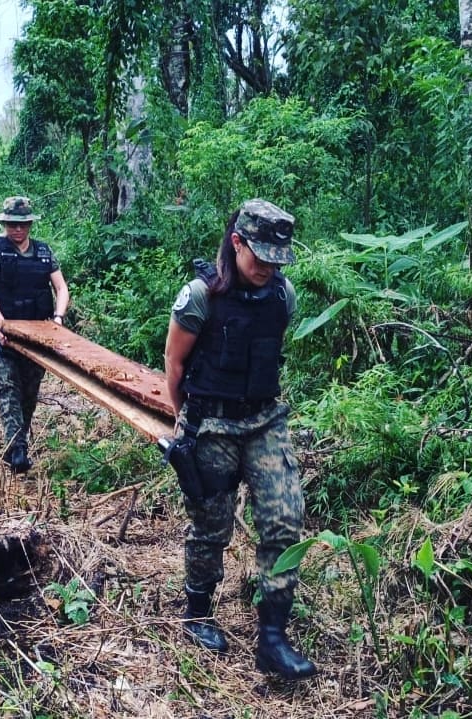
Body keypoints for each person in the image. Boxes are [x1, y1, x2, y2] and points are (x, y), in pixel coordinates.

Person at [163, 198, 318, 680]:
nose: (268, 268)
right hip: (211, 423)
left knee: (284, 520)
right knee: (212, 525)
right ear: (236, 243)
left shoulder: (282, 296)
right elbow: (174, 365)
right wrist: (185, 423)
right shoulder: (201, 296)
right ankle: (198, 611)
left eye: (277, 260)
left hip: (265, 420)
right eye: (260, 257)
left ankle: (272, 638)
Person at [0, 196, 70, 473]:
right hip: (1, 333)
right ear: (4, 223)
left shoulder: (43, 252)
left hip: (37, 335)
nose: (17, 230)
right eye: (11, 225)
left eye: (23, 225)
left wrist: (58, 318)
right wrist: (0, 322)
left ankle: (20, 439)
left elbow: (61, 288)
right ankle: (16, 449)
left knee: (30, 392)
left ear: (30, 224)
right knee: (8, 386)